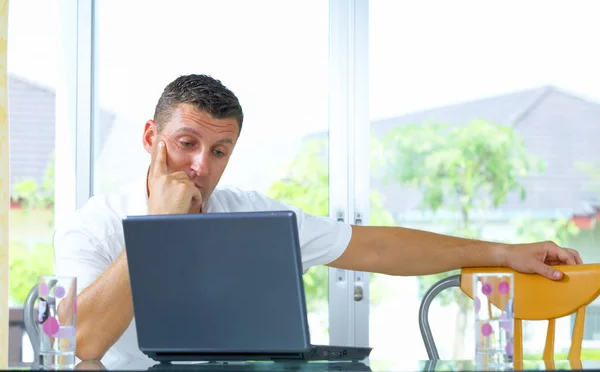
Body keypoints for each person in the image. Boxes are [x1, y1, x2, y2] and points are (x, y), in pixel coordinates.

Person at [53, 74, 583, 363]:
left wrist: (503, 253)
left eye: (220, 151)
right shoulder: (95, 224)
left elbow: (374, 248)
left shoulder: (249, 213)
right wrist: (158, 231)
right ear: (151, 139)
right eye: (187, 144)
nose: (200, 166)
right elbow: (82, 345)